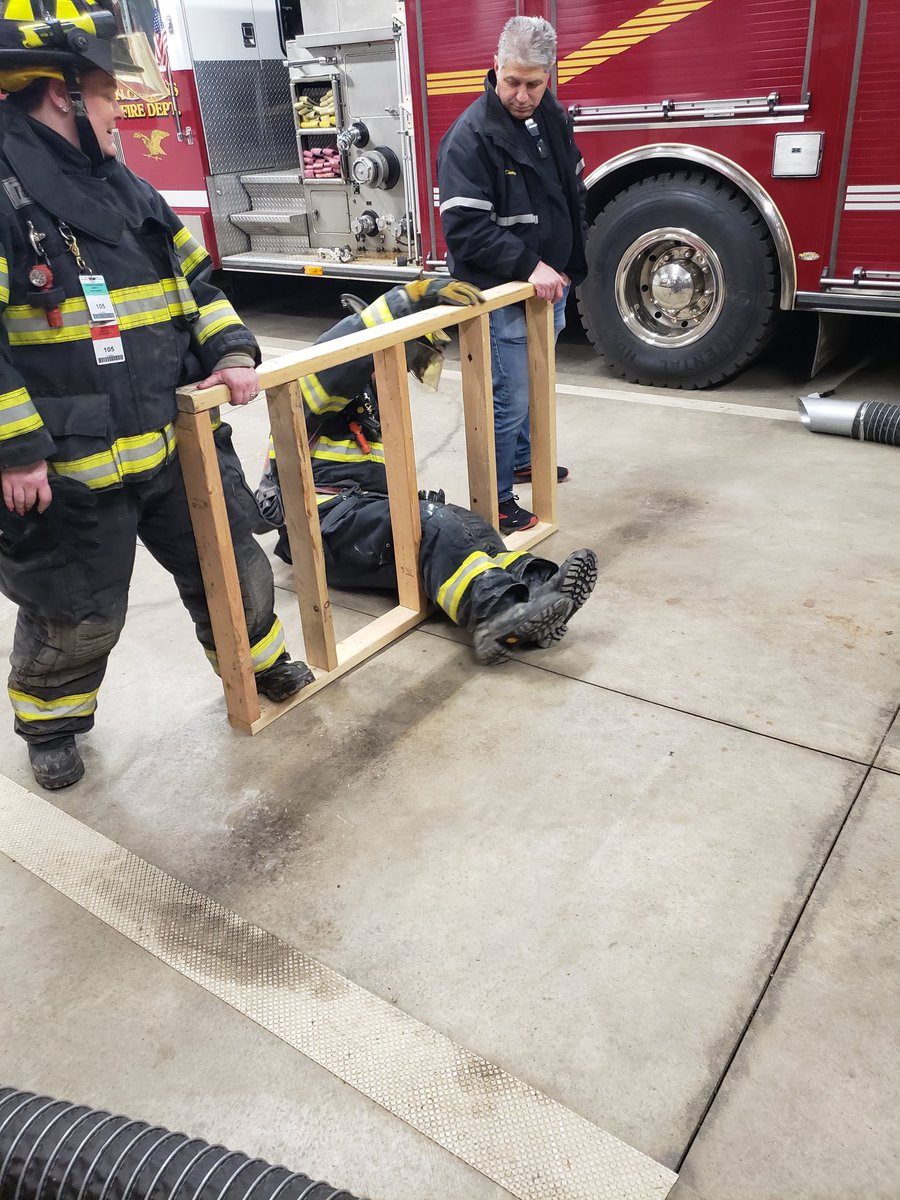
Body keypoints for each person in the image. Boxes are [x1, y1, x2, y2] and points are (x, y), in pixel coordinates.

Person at [0, 0, 313, 791]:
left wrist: (230, 350)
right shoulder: (5, 196)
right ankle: (51, 724)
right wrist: (15, 451)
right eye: (110, 94)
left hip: (175, 442)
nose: (122, 110)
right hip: (68, 465)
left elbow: (196, 282)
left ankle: (258, 662)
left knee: (231, 567)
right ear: (63, 95)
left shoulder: (128, 188)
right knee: (77, 610)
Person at [255, 282, 597, 664]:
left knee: (470, 525)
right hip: (319, 530)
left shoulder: (371, 402)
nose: (401, 370)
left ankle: (537, 590)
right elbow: (339, 352)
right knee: (433, 524)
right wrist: (409, 301)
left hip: (351, 518)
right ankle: (496, 616)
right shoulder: (317, 388)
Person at [436, 15, 587, 534]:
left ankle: (523, 460)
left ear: (550, 76)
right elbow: (464, 231)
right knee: (510, 398)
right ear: (495, 66)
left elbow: (571, 190)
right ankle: (497, 501)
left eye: (533, 84)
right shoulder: (470, 137)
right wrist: (530, 266)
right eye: (512, 81)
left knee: (535, 383)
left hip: (549, 286)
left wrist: (569, 260)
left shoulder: (551, 117)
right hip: (501, 292)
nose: (522, 96)